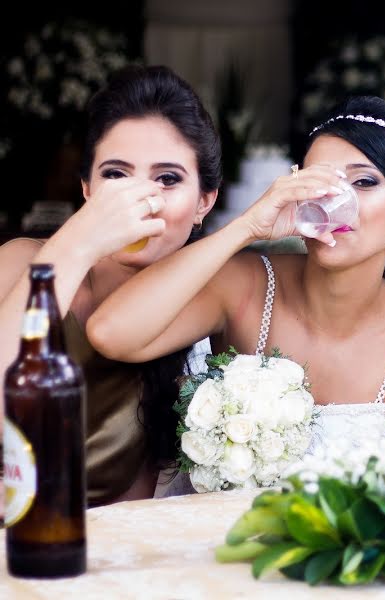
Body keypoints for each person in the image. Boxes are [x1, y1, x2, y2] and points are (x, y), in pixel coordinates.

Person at [88, 95, 385, 456]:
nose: (335, 200)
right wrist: (248, 226)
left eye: (363, 182)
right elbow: (111, 334)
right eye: (319, 182)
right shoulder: (245, 284)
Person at [0, 65, 219, 506]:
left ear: (204, 202)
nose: (140, 198)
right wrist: (82, 240)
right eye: (116, 175)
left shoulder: (201, 310)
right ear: (86, 188)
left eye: (168, 178)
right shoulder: (22, 263)